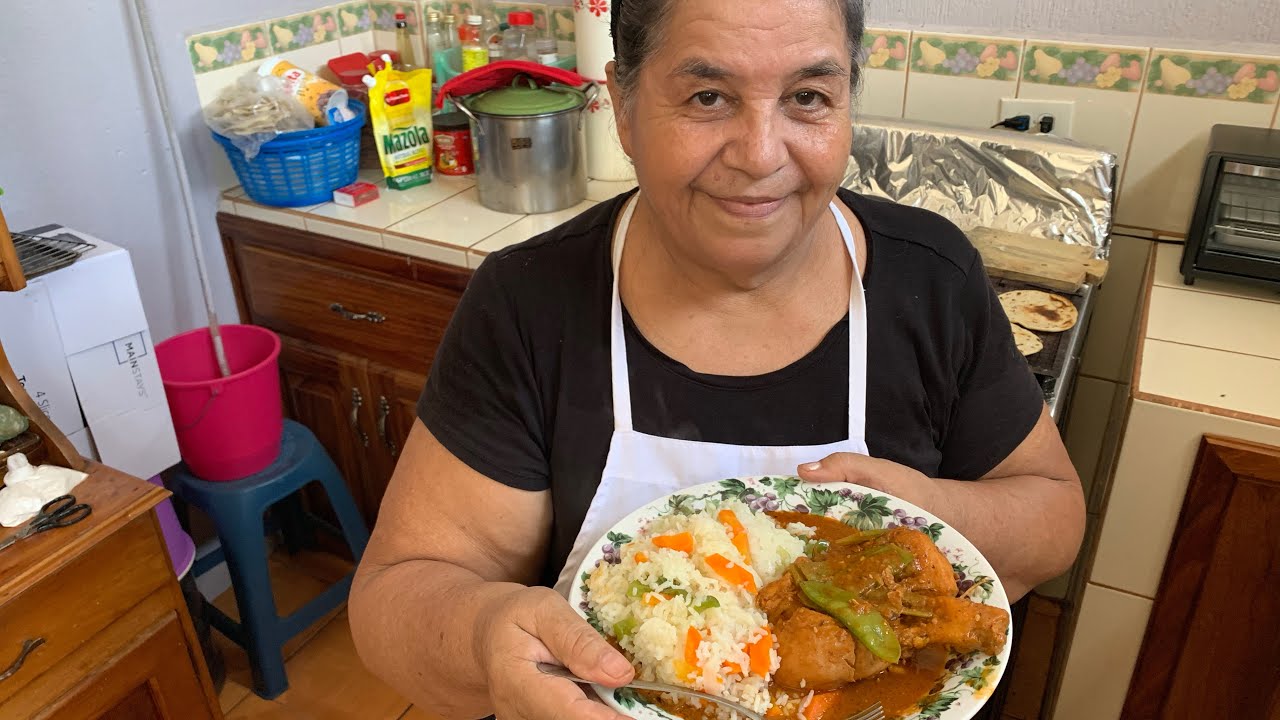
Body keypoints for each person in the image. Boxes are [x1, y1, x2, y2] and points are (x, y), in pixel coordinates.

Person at [348, 0, 1085, 718]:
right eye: (707, 96)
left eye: (807, 96)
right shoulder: (528, 303)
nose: (762, 154)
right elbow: (393, 600)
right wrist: (483, 639)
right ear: (625, 110)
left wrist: (926, 516)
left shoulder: (932, 279)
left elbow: (1054, 517)